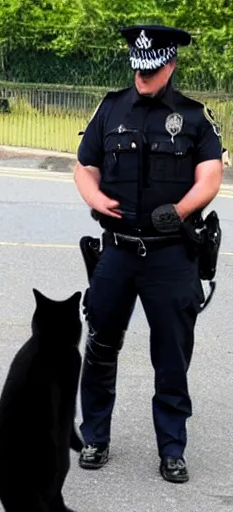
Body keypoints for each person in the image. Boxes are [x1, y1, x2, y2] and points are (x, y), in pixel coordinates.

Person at [73, 24, 223, 484]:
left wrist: (180, 210)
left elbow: (212, 174)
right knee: (100, 346)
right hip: (117, 252)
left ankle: (172, 449)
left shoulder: (194, 117)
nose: (143, 75)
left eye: (152, 68)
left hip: (171, 255)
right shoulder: (111, 107)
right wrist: (94, 199)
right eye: (138, 68)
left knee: (172, 356)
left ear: (171, 65)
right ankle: (95, 435)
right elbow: (84, 167)